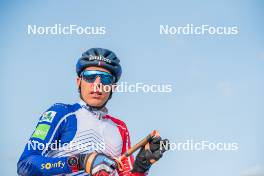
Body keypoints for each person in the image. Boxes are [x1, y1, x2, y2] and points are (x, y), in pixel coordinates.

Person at [17, 48, 168, 176]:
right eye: (90, 77)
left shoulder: (120, 128)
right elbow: (25, 165)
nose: (97, 85)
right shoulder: (62, 113)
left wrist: (142, 166)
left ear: (113, 87)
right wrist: (81, 161)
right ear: (79, 82)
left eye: (105, 79)